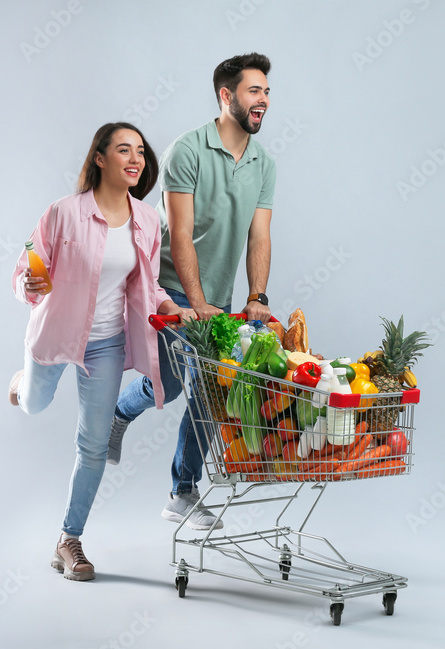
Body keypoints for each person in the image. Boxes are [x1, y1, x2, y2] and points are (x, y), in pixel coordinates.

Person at [8, 122, 195, 581]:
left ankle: (69, 540)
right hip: (55, 335)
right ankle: (21, 383)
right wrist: (26, 284)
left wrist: (174, 308)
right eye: (123, 150)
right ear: (99, 158)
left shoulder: (147, 220)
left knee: (93, 445)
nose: (135, 159)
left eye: (140, 152)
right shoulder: (63, 213)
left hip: (107, 344)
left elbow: (148, 286)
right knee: (33, 405)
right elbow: (26, 269)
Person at [108, 53, 277, 529]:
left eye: (266, 92)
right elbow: (178, 232)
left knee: (207, 390)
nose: (263, 100)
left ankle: (182, 491)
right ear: (227, 96)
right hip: (170, 289)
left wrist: (256, 296)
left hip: (217, 297)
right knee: (178, 382)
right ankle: (121, 415)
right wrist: (194, 302)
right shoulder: (188, 150)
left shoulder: (265, 164)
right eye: (254, 91)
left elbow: (258, 235)